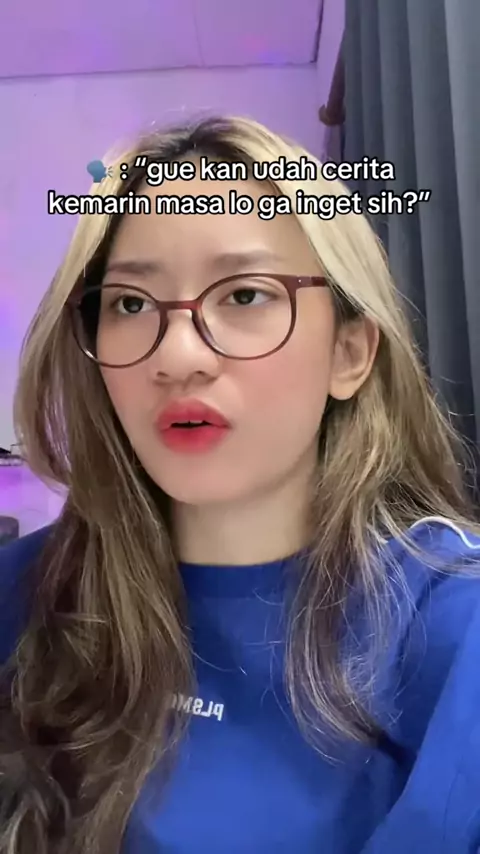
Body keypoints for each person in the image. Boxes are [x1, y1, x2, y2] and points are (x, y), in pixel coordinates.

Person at [1, 115, 480, 854]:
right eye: (130, 304)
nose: (177, 356)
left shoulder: (454, 626)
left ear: (349, 353)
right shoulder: (24, 595)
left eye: (246, 295)